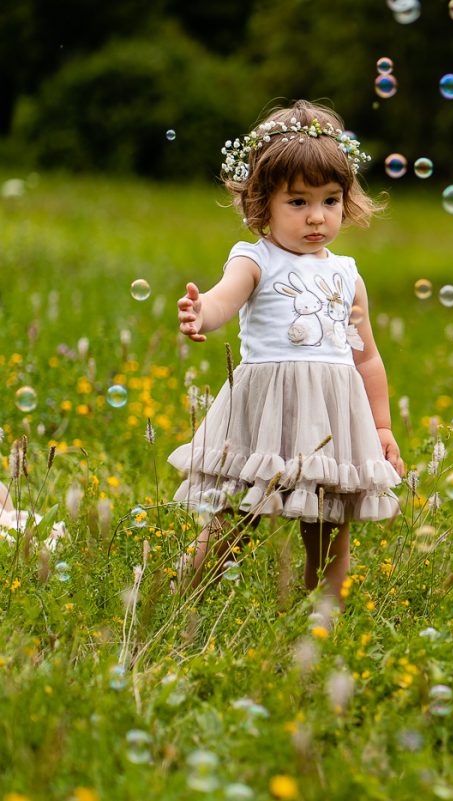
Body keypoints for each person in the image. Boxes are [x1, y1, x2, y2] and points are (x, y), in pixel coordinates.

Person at [172, 99, 404, 609]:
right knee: (237, 515)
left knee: (331, 526)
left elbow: (366, 358)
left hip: (332, 420)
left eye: (330, 200)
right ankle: (184, 601)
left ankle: (323, 620)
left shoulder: (347, 274)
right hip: (265, 416)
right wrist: (200, 313)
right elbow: (222, 299)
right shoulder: (256, 259)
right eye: (297, 202)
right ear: (262, 203)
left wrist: (382, 427)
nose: (317, 217)